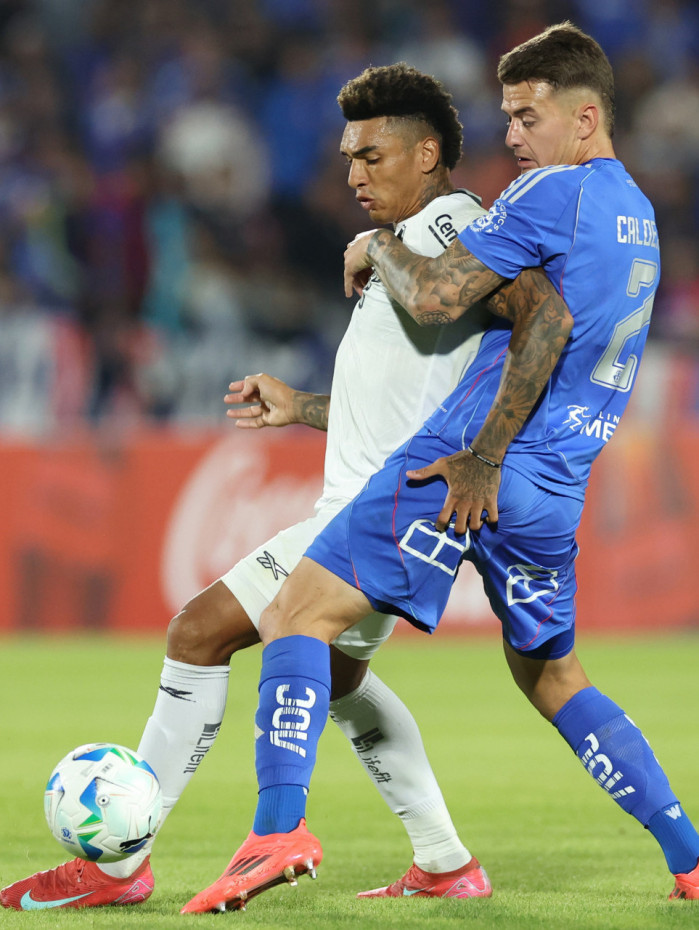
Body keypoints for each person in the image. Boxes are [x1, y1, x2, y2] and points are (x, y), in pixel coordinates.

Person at [0, 63, 561, 912]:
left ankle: (124, 866)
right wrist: (301, 406)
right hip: (366, 512)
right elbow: (399, 402)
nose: (353, 175)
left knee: (197, 633)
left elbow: (542, 320)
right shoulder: (414, 252)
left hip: (383, 516)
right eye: (347, 158)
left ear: (428, 154)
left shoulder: (457, 232)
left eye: (372, 155)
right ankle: (445, 863)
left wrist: (490, 455)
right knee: (336, 683)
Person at [178, 22, 699, 914]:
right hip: (555, 485)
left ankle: (276, 833)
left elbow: (437, 298)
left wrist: (375, 247)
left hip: (469, 465)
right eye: (506, 117)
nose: (512, 138)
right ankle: (688, 856)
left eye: (527, 116)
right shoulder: (638, 216)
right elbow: (555, 327)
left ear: (583, 119)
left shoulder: (550, 194)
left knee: (294, 613)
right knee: (552, 676)